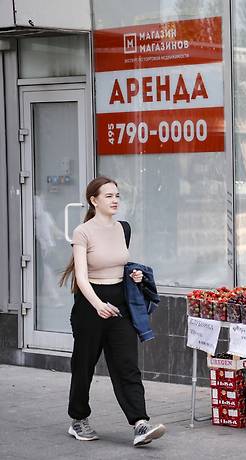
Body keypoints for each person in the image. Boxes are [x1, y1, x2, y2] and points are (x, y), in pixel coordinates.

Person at [59, 176, 166, 447]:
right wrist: (98, 305)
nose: (115, 200)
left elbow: (122, 264)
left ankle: (140, 423)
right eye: (108, 196)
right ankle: (78, 419)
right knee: (84, 365)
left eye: (117, 195)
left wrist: (137, 276)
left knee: (127, 365)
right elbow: (81, 277)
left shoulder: (123, 228)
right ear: (93, 201)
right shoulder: (82, 232)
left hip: (120, 302)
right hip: (90, 304)